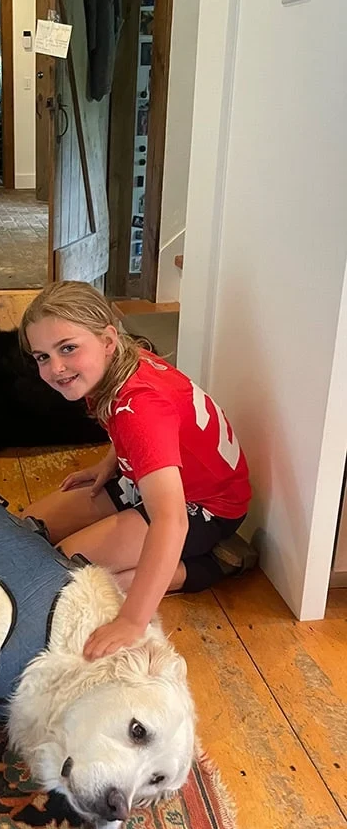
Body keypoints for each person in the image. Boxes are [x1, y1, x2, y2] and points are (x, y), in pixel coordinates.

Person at [19, 281, 256, 661]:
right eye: (42, 356)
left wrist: (131, 621)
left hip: (204, 506)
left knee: (65, 576)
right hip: (152, 482)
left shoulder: (140, 407)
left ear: (108, 340)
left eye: (68, 348)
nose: (56, 367)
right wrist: (109, 463)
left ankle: (212, 564)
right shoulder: (122, 363)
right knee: (27, 530)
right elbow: (132, 426)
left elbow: (171, 520)